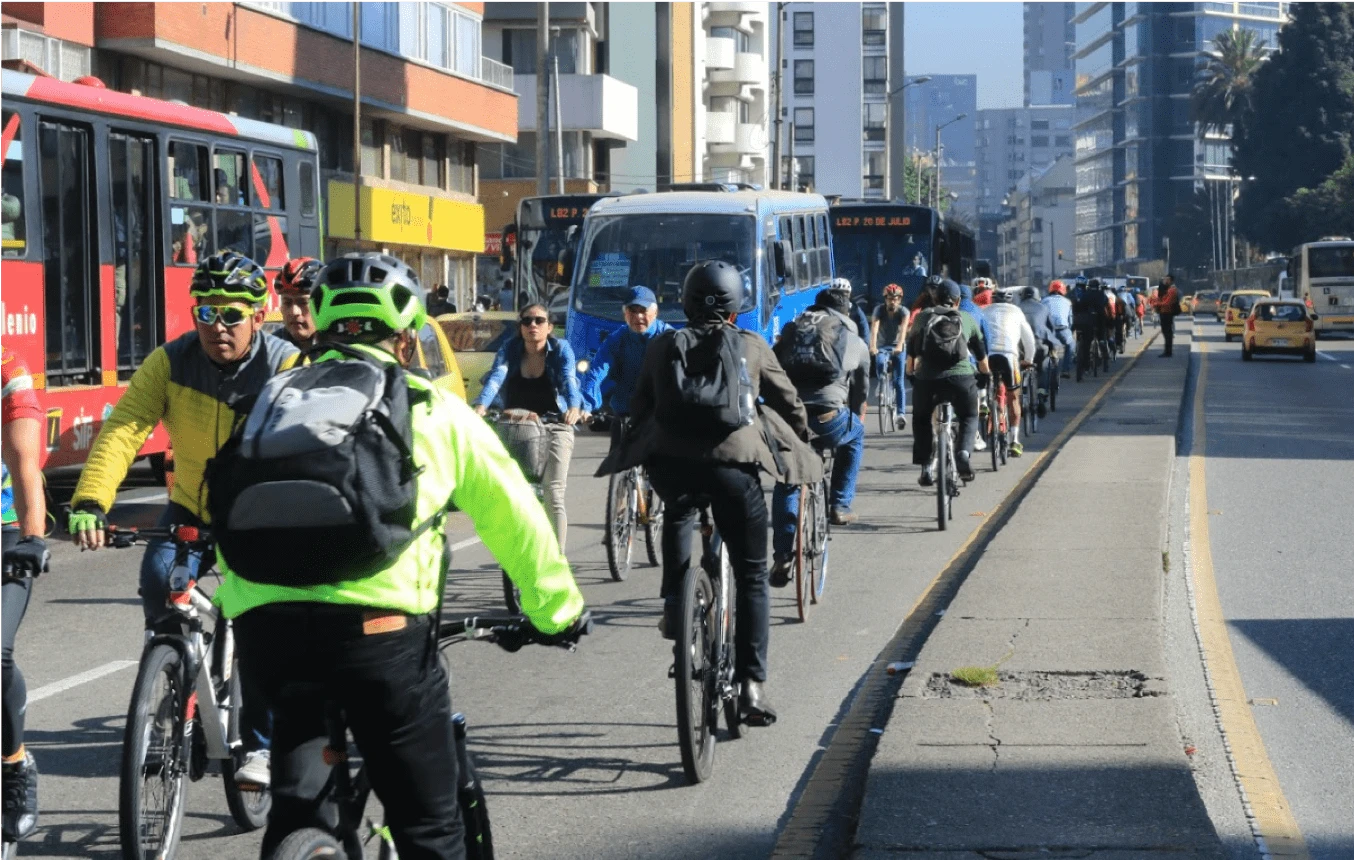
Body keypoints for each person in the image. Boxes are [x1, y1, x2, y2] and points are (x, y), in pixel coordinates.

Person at [214, 251, 589, 859]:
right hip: (380, 636)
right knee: (428, 827)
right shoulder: (430, 408)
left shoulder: (273, 396)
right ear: (408, 339)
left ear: (324, 325)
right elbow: (515, 514)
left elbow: (226, 502)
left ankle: (298, 838)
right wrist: (557, 610)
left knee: (297, 808)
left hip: (266, 629)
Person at [68, 250, 299, 787]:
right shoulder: (169, 362)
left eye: (232, 315)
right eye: (205, 313)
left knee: (261, 625)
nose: (217, 327)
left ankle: (259, 748)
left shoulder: (287, 367)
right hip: (192, 507)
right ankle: (173, 692)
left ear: (259, 315)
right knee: (157, 582)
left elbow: (308, 444)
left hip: (260, 516)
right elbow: (127, 425)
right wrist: (90, 501)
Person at [603, 261, 819, 725]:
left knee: (678, 514)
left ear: (685, 301)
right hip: (734, 472)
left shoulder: (663, 345)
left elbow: (640, 404)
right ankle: (751, 687)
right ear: (736, 306)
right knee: (754, 575)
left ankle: (674, 603)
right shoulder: (752, 346)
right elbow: (789, 403)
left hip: (673, 468)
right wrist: (803, 437)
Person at [768, 279, 870, 584]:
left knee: (788, 478)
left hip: (792, 419)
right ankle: (839, 504)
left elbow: (772, 369)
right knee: (856, 436)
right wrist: (856, 415)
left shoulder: (794, 328)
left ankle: (783, 554)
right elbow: (862, 389)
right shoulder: (851, 338)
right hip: (830, 417)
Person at [472, 303, 584, 546]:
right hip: (515, 427)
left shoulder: (561, 349)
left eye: (539, 321)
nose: (533, 325)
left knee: (553, 493)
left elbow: (568, 379)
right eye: (526, 321)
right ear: (520, 327)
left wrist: (574, 407)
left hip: (555, 425)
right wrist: (481, 406)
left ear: (550, 327)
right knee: (507, 491)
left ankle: (557, 561)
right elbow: (496, 376)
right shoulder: (510, 348)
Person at [1, 346, 47, 845]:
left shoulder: (7, 372)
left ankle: (13, 763)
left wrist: (34, 536)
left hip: (5, 531)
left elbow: (24, 464)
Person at [907, 279, 989, 485]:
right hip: (961, 378)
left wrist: (911, 375)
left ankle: (926, 465)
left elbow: (911, 352)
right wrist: (985, 376)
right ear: (958, 300)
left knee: (921, 418)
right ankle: (962, 453)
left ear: (935, 297)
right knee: (970, 416)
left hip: (928, 378)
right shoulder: (966, 318)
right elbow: (981, 356)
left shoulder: (924, 316)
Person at [579, 286, 672, 432]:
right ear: (625, 314)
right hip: (625, 416)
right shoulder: (616, 339)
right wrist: (587, 406)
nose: (638, 316)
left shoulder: (669, 338)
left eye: (643, 310)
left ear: (655, 312)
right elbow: (596, 372)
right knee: (617, 455)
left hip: (660, 418)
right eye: (632, 311)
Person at [981, 290, 1037, 456]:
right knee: (1013, 396)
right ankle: (1014, 440)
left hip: (988, 355)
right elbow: (1029, 340)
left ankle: (984, 401)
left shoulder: (985, 311)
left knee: (989, 386)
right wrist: (1028, 358)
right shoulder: (1017, 312)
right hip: (1009, 355)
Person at [869, 283, 910, 428]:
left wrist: (899, 346)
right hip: (882, 346)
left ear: (899, 300)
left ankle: (900, 414)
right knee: (880, 362)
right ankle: (881, 383)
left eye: (895, 299)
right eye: (889, 299)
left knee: (899, 382)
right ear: (885, 299)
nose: (892, 301)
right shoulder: (879, 310)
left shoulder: (903, 311)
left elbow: (904, 330)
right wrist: (873, 346)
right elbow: (874, 328)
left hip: (898, 346)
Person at [1017, 286, 1057, 416]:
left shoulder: (1017, 308)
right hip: (1040, 346)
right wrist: (1052, 348)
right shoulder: (1043, 308)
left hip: (1021, 348)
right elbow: (1051, 329)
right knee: (1044, 367)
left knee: (1018, 369)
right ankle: (1041, 393)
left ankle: (1020, 398)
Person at [273, 257, 323, 349]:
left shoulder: (342, 346)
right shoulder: (270, 349)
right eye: (287, 303)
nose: (294, 312)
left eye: (303, 302)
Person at [1070, 277, 1111, 378]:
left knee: (1086, 344)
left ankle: (1086, 366)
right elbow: (1106, 304)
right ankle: (1105, 359)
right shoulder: (1102, 294)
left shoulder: (1085, 294)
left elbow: (1080, 305)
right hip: (1100, 319)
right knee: (1102, 337)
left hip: (1087, 321)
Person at [1042, 280, 1076, 378]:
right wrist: (1069, 330)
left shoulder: (1044, 301)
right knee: (1070, 345)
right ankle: (1065, 370)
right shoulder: (1068, 302)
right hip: (1063, 330)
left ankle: (1044, 368)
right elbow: (1070, 320)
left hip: (1048, 331)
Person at [1150, 275, 1183, 357]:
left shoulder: (1172, 290)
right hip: (1163, 313)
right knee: (1166, 333)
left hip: (1168, 313)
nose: (1164, 281)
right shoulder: (1165, 289)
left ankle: (1168, 352)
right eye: (1164, 279)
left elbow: (1167, 302)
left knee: (1168, 333)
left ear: (1170, 281)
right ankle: (1167, 351)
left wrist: (1157, 303)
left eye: (1166, 279)